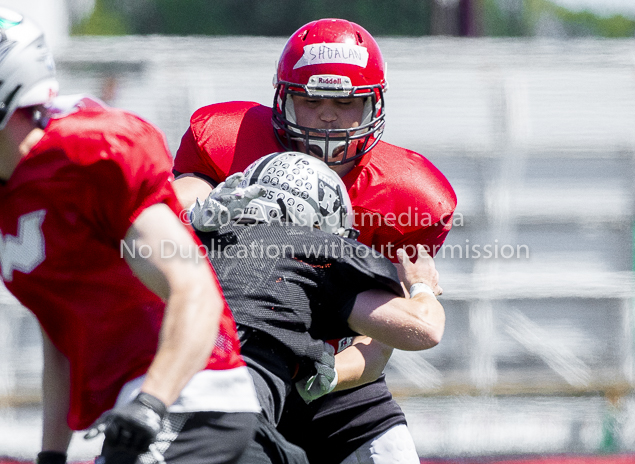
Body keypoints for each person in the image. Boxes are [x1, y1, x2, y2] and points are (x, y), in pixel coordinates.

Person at [173, 18, 457, 464]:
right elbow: (174, 205)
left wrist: (326, 375)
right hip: (228, 355)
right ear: (283, 98)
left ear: (372, 105)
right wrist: (191, 214)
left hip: (327, 373)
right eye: (311, 99)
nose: (327, 114)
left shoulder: (405, 198)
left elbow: (380, 342)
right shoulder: (230, 142)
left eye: (345, 103)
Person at [0, 9, 259, 464]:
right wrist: (51, 454)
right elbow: (58, 331)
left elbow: (194, 290)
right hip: (138, 410)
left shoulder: (86, 157)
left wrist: (151, 405)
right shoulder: (11, 193)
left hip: (192, 398)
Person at [194, 151, 445, 464]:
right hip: (229, 421)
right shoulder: (308, 255)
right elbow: (424, 329)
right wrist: (422, 286)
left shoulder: (190, 240)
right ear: (317, 220)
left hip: (139, 398)